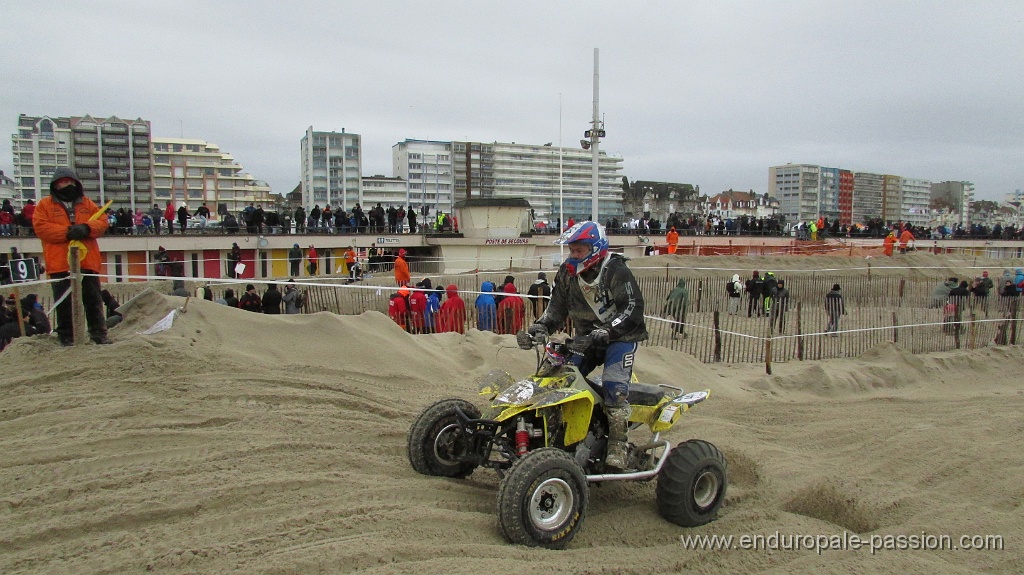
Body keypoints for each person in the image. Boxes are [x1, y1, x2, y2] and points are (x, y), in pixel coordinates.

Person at [524, 222, 647, 470]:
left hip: (620, 337)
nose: (574, 255)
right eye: (572, 250)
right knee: (558, 377)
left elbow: (632, 307)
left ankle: (617, 446)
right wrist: (541, 326)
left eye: (579, 250)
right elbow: (555, 308)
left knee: (614, 385)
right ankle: (553, 434)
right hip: (585, 339)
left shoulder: (615, 269)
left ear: (595, 248)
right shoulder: (567, 273)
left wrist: (609, 330)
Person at [31, 167, 111, 346]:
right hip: (60, 262)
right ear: (55, 185)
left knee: (93, 299)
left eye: (70, 181)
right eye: (63, 182)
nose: (67, 185)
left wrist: (87, 228)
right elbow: (41, 228)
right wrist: (67, 232)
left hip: (87, 261)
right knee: (64, 302)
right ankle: (66, 335)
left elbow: (102, 221)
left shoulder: (87, 203)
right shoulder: (44, 205)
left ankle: (98, 333)